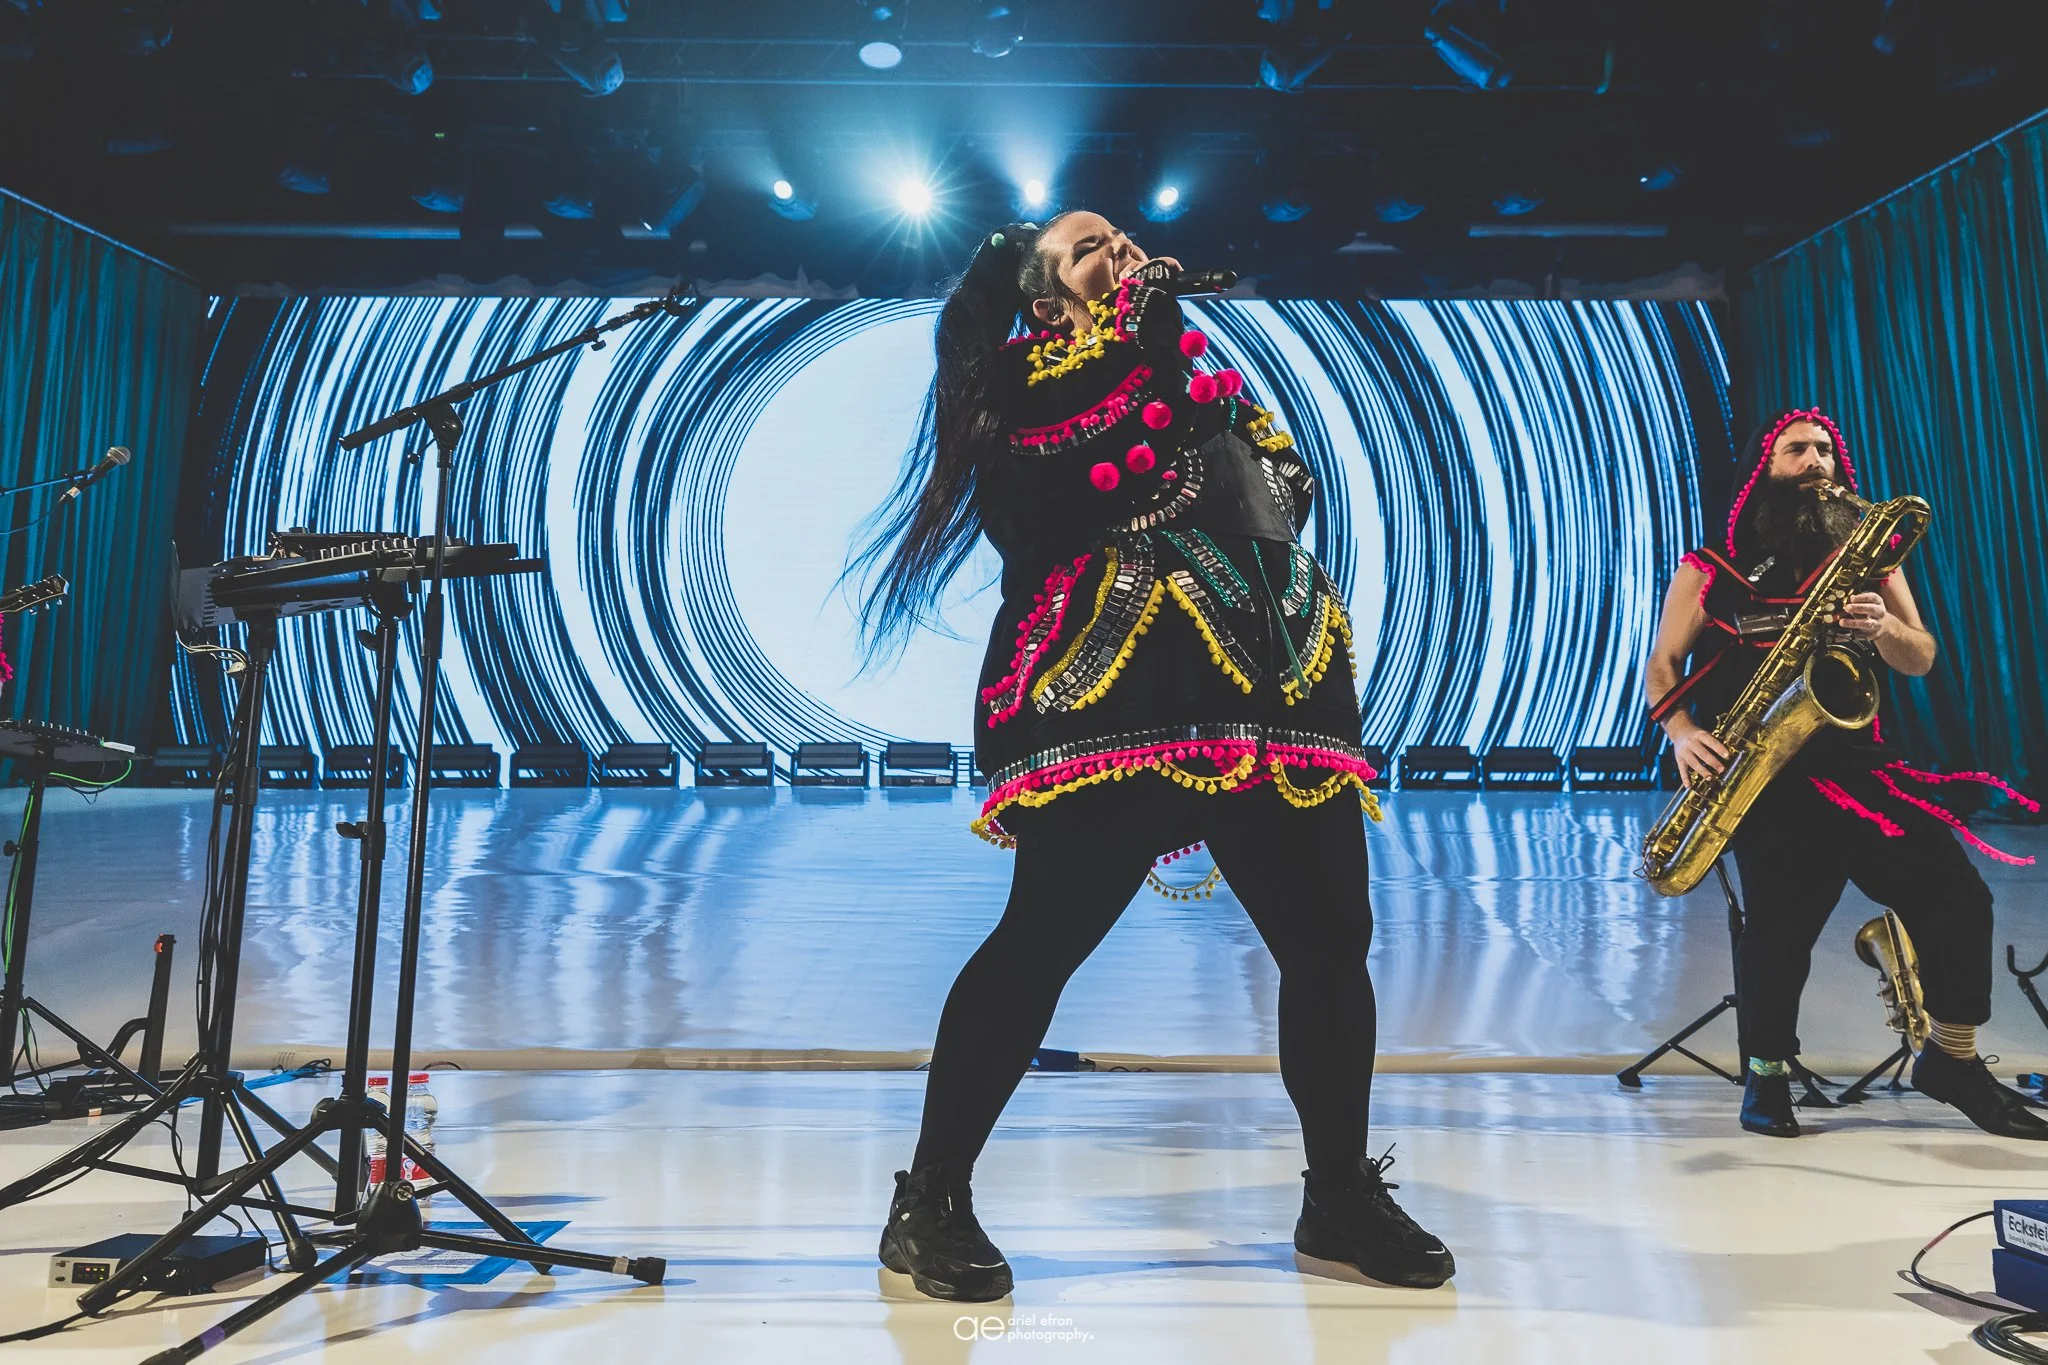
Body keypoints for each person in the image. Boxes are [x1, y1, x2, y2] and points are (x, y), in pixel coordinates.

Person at [849, 212, 1455, 1301]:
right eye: (1091, 248)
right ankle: (929, 1199)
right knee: (1042, 940)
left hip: (1273, 681)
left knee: (1330, 942)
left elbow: (1278, 495)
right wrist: (1148, 343)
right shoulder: (1025, 384)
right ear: (1045, 299)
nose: (1122, 252)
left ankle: (1337, 1195)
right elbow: (1080, 481)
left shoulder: (1192, 373)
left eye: (1126, 241)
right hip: (1124, 684)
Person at [1645, 407, 2045, 1140]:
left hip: (1859, 771)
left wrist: (1884, 625)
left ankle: (1952, 1059)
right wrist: (1682, 731)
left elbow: (1921, 656)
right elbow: (1663, 664)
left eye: (1826, 449)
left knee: (1960, 896)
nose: (1816, 462)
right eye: (1797, 449)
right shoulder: (1710, 567)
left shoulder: (1870, 561)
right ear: (1763, 468)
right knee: (1778, 932)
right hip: (1762, 774)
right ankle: (1766, 1075)